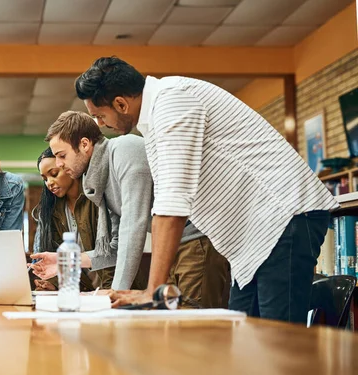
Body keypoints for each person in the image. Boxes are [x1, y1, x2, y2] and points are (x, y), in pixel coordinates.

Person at [75, 56, 338, 322]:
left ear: (120, 103)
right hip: (255, 235)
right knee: (245, 335)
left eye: (99, 116)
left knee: (275, 341)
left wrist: (152, 290)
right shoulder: (156, 116)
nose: (101, 124)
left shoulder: (172, 102)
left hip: (282, 217)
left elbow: (171, 202)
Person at [39, 111, 230, 309]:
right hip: (172, 244)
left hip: (197, 237)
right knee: (171, 319)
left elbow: (134, 225)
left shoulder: (124, 150)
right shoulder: (98, 179)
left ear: (85, 144)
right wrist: (67, 260)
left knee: (192, 321)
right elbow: (114, 249)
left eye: (62, 156)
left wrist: (114, 294)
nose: (59, 163)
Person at [31, 147, 115, 291]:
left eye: (54, 174)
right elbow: (60, 257)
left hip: (114, 288)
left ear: (68, 167)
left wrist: (109, 292)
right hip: (84, 292)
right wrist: (53, 284)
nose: (49, 183)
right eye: (45, 179)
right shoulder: (54, 211)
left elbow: (111, 254)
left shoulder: (96, 198)